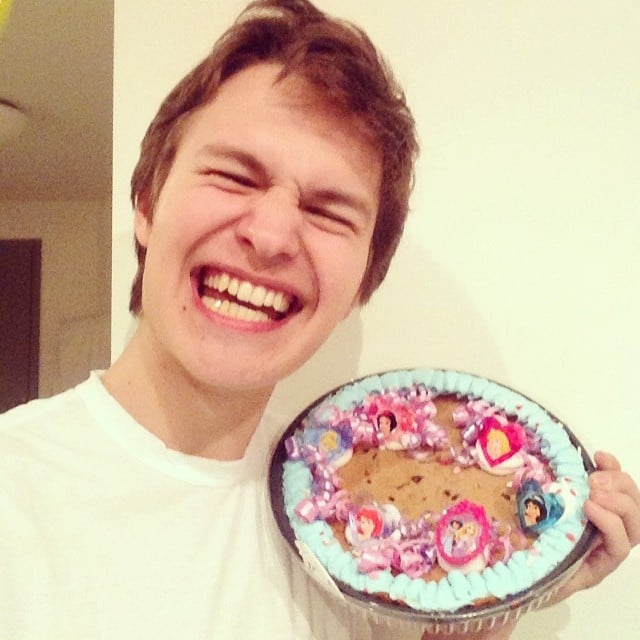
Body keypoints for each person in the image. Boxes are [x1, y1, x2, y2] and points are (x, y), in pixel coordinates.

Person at [1, 1, 638, 639]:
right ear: (147, 202)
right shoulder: (16, 494)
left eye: (330, 211)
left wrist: (506, 592)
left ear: (363, 279)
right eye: (233, 176)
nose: (273, 233)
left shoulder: (365, 535)